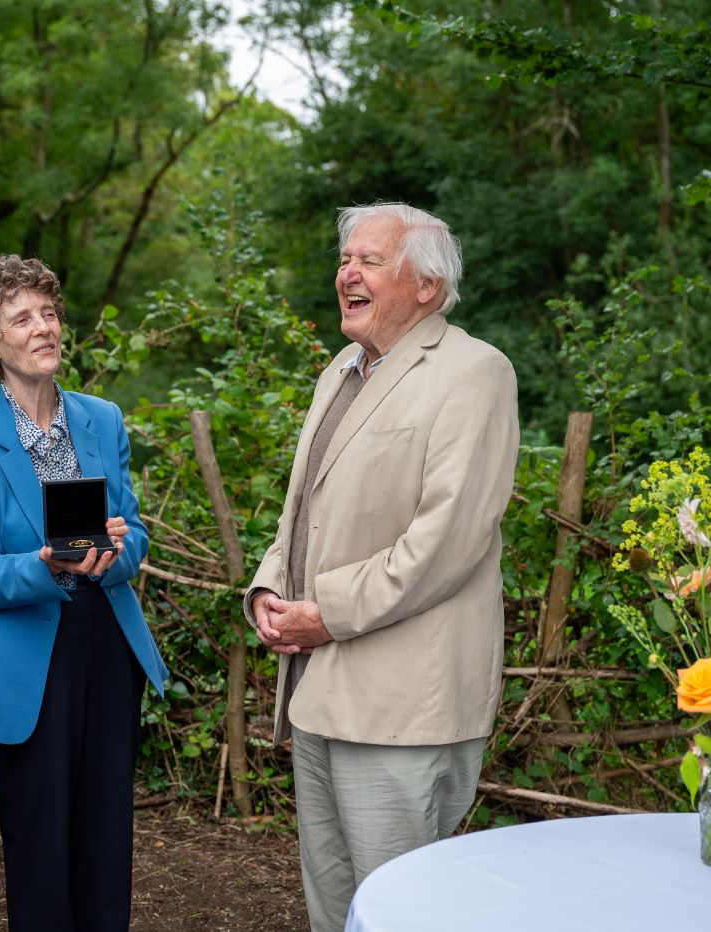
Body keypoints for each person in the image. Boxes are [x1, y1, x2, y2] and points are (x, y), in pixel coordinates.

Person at [245, 202, 520, 932]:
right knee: (334, 906)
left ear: (426, 285)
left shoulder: (474, 373)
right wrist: (271, 588)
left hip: (403, 708)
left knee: (401, 911)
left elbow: (444, 543)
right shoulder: (342, 368)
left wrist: (323, 614)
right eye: (345, 259)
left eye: (369, 260)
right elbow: (302, 509)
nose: (347, 273)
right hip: (319, 690)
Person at [0, 255, 168, 931]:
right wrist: (44, 563)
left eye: (48, 313)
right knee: (40, 852)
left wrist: (123, 549)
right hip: (28, 663)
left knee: (106, 841)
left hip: (106, 643)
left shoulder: (103, 418)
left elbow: (136, 530)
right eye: (21, 318)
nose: (43, 329)